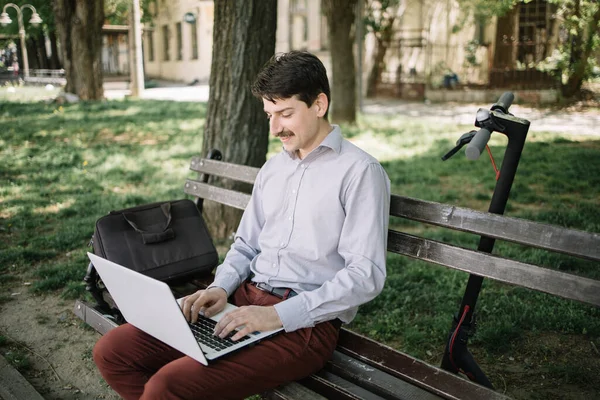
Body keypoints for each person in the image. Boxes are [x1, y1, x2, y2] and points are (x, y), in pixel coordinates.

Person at [93, 51, 391, 400]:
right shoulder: (273, 170)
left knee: (166, 386)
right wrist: (220, 288)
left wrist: (277, 316)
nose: (275, 128)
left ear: (319, 104)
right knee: (113, 351)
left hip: (304, 325)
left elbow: (365, 275)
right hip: (240, 300)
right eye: (269, 115)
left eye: (285, 113)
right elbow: (247, 245)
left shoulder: (359, 173)